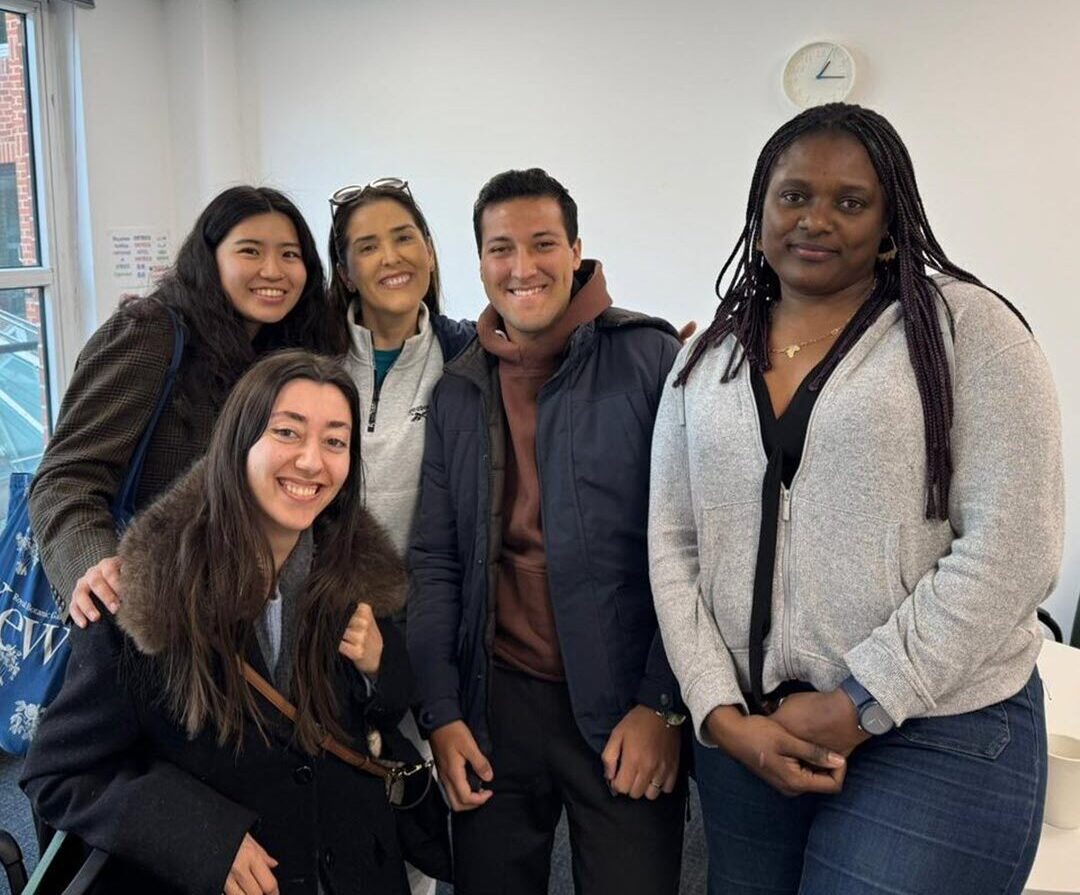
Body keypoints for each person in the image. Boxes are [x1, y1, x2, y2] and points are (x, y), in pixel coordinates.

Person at [648, 102, 1063, 895]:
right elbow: (673, 547)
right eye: (794, 196)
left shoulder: (968, 331)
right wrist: (718, 713)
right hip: (752, 726)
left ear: (889, 218)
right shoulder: (704, 362)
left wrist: (862, 699)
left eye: (850, 201)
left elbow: (1013, 545)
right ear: (759, 207)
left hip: (934, 723)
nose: (816, 220)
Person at [21, 350, 413, 895]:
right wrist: (201, 835)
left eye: (334, 441)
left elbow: (385, 711)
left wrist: (380, 667)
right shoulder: (144, 596)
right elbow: (58, 774)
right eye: (287, 432)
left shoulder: (354, 574)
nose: (310, 462)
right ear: (238, 442)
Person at [408, 168, 688, 895]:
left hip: (623, 700)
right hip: (496, 703)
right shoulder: (460, 388)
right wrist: (441, 711)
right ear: (479, 263)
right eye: (501, 248)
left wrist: (662, 702)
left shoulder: (650, 361)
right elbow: (436, 560)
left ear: (576, 249)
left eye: (542, 244)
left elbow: (694, 549)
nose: (522, 267)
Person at [29, 185, 345, 628]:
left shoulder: (285, 352)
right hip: (149, 612)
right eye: (250, 251)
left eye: (290, 255)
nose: (273, 270)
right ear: (210, 258)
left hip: (237, 611)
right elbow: (66, 476)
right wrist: (96, 569)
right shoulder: (151, 333)